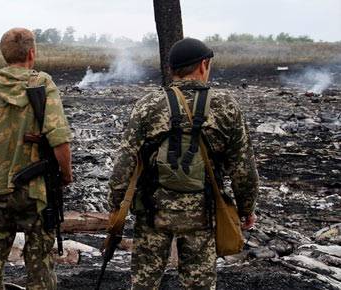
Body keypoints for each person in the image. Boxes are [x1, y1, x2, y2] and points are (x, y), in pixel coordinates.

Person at [108, 37, 259, 290]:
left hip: (152, 211)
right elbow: (243, 168)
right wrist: (246, 209)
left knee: (144, 283)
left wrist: (115, 205)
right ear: (203, 65)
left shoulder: (148, 104)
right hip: (202, 213)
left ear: (171, 69)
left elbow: (124, 163)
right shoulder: (226, 106)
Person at [0, 27, 73, 290]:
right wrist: (65, 175)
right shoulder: (42, 83)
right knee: (40, 267)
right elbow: (60, 139)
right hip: (35, 194)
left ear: (4, 54)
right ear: (32, 53)